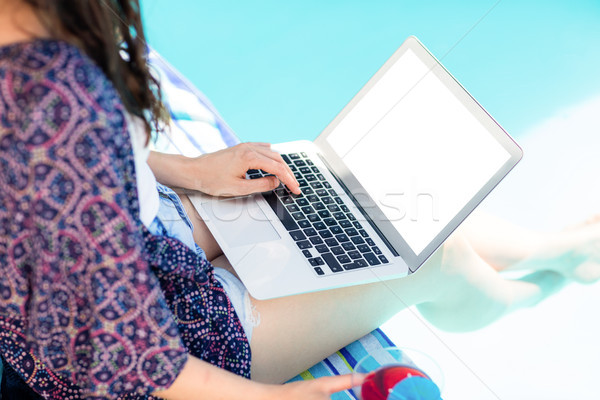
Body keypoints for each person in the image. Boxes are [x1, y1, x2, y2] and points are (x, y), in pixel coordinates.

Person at [0, 0, 598, 399]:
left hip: (132, 243)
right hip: (153, 341)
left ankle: (554, 247)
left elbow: (61, 179)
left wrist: (189, 171)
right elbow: (120, 351)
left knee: (351, 196)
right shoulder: (52, 96)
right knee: (435, 255)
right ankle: (552, 276)